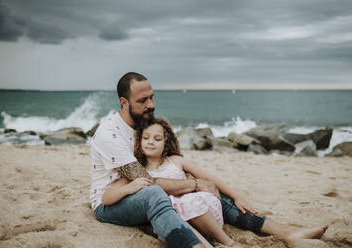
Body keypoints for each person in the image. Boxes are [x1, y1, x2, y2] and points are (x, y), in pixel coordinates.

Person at [90, 72, 328, 248]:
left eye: (152, 97)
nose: (151, 105)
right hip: (110, 203)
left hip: (142, 192)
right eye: (143, 100)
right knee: (159, 193)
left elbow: (168, 161)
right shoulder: (109, 134)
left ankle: (287, 233)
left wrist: (231, 193)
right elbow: (147, 181)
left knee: (211, 193)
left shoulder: (144, 124)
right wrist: (193, 184)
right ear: (124, 102)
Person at [103, 118, 235, 247]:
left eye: (157, 139)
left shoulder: (176, 161)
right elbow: (106, 198)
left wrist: (237, 197)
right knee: (172, 213)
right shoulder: (137, 172)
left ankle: (228, 242)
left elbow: (208, 178)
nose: (150, 142)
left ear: (166, 142)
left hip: (203, 212)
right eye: (146, 138)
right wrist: (128, 188)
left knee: (187, 204)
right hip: (178, 221)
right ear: (139, 141)